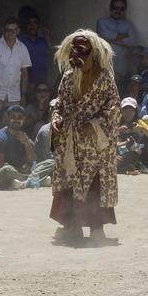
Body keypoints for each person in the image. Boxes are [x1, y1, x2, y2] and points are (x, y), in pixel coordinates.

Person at [49, 31, 120, 244]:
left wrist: (95, 125)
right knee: (69, 182)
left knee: (94, 184)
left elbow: (114, 108)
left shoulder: (105, 79)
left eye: (83, 53)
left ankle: (97, 230)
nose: (77, 58)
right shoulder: (69, 76)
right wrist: (56, 118)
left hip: (95, 146)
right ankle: (72, 227)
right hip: (70, 142)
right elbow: (59, 104)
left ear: (93, 54)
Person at [0, 18, 33, 128]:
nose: (10, 33)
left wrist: (23, 94)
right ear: (3, 31)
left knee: (12, 126)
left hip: (14, 95)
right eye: (7, 30)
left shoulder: (22, 48)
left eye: (13, 31)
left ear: (18, 31)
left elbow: (24, 73)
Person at [95, 0, 137, 84]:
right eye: (115, 8)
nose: (118, 11)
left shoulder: (128, 24)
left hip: (124, 68)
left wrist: (111, 40)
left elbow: (133, 41)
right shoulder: (102, 21)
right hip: (105, 67)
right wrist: (124, 36)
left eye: (121, 9)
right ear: (110, 8)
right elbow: (104, 34)